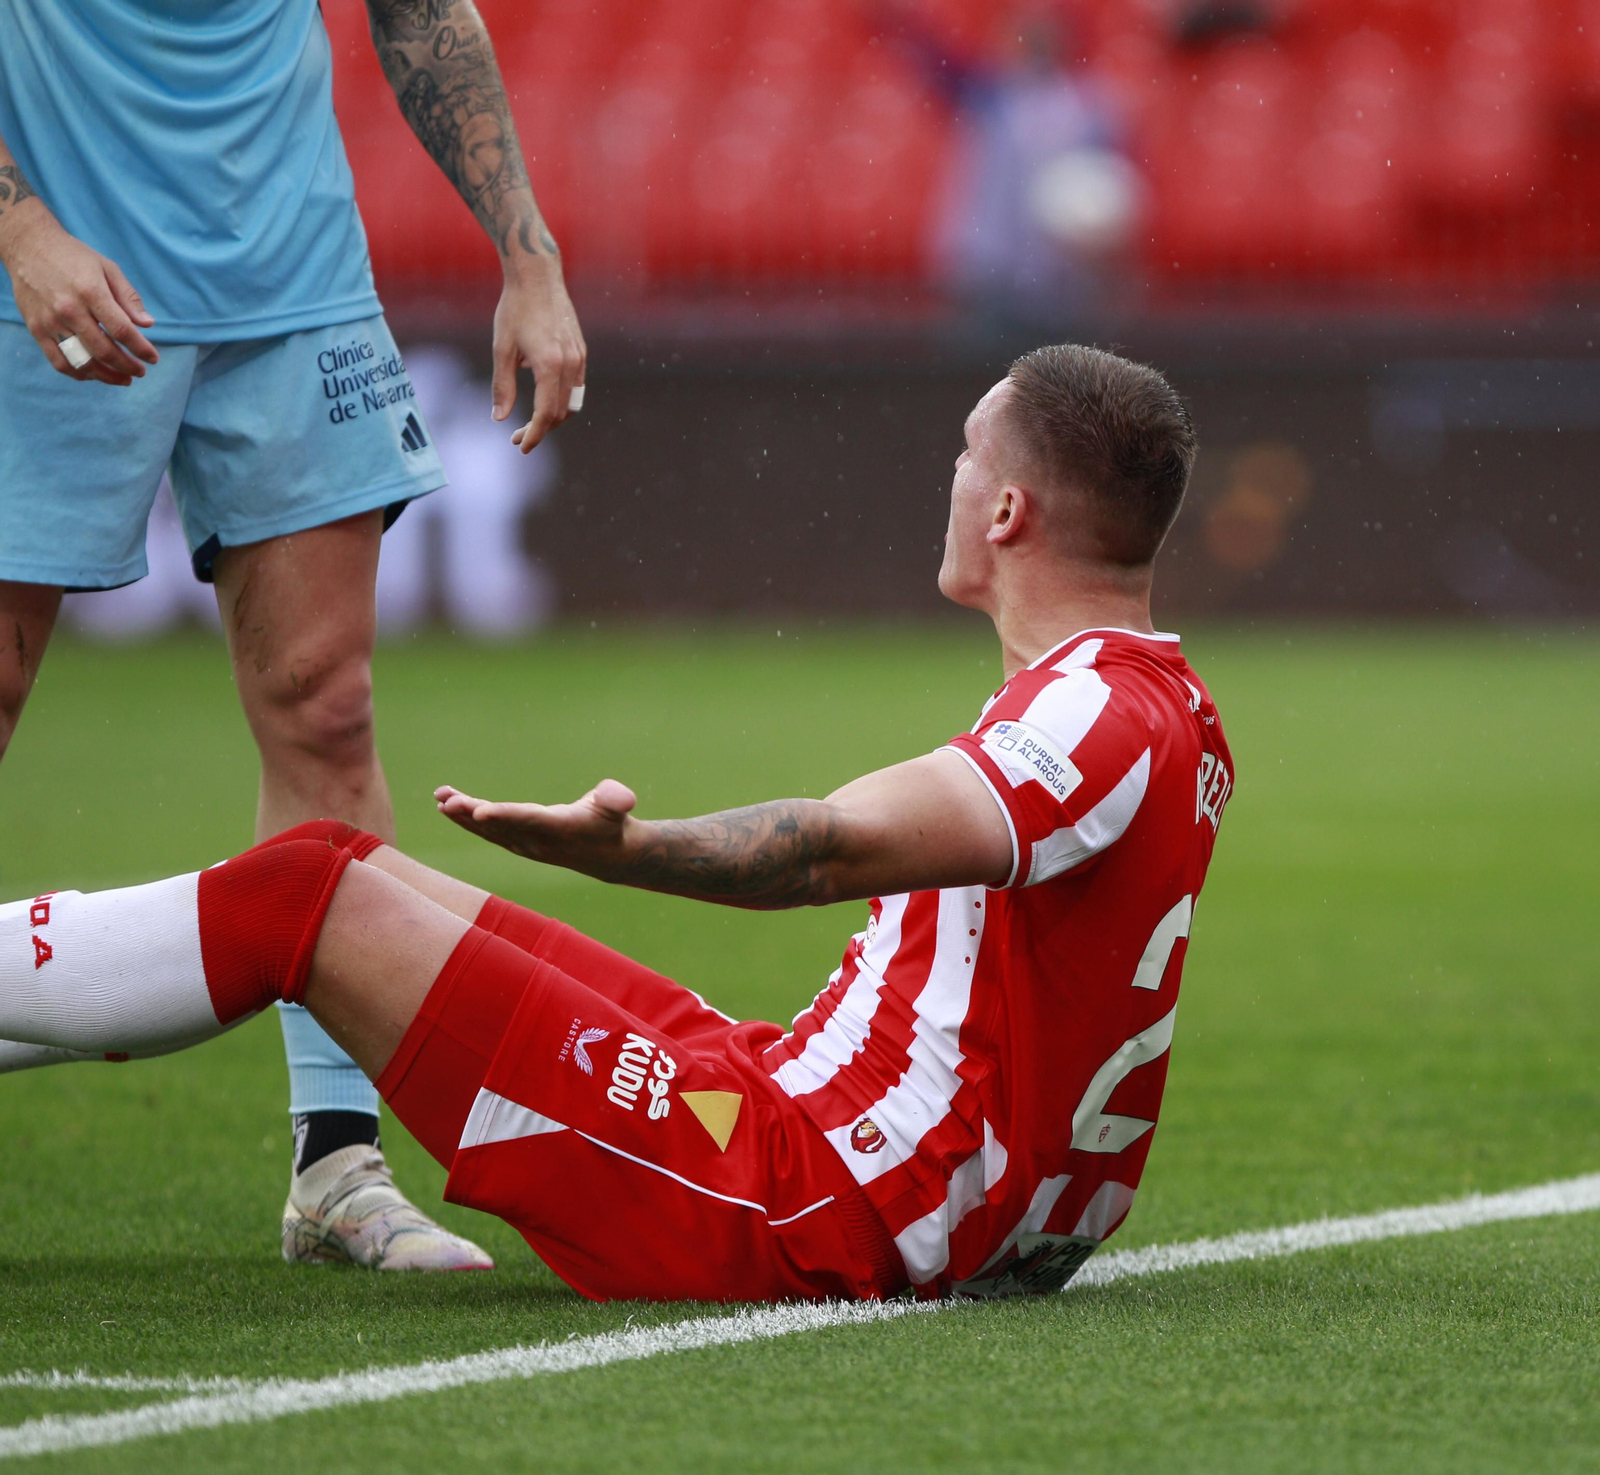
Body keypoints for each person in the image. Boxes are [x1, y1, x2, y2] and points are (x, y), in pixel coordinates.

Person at [0, 346, 1233, 1300]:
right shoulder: (1158, 702)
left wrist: (630, 851)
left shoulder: (1092, 713)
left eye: (966, 456)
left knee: (298, 907)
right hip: (802, 1113)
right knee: (334, 864)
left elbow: (833, 845)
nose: (948, 479)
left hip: (817, 1196)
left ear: (1008, 511)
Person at [0, 0, 585, 1271]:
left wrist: (526, 256)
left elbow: (422, 15)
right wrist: (20, 224)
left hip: (292, 285)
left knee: (326, 702)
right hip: (44, 280)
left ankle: (336, 1159)